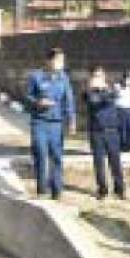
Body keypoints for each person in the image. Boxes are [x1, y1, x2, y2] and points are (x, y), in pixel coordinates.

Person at [24, 47, 76, 199]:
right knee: (40, 153)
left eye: (62, 61)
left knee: (56, 156)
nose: (61, 63)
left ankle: (56, 190)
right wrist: (38, 102)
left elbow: (69, 100)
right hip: (39, 121)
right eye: (58, 60)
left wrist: (71, 120)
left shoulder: (63, 78)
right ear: (49, 60)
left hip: (56, 123)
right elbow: (27, 97)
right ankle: (41, 190)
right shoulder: (36, 77)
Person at [84, 66, 124, 200]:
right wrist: (94, 89)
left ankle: (119, 189)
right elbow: (94, 101)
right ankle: (102, 189)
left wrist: (105, 89)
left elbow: (113, 97)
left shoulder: (111, 90)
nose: (98, 78)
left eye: (100, 76)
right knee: (99, 162)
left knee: (115, 161)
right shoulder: (89, 92)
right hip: (96, 132)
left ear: (104, 77)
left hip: (112, 131)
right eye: (95, 76)